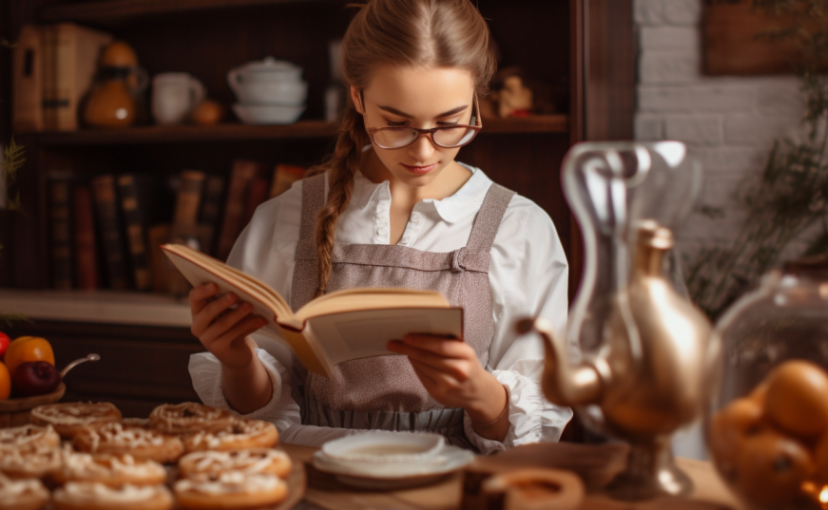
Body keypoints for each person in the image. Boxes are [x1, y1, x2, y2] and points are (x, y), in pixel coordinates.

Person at [188, 0, 572, 453]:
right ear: (358, 99)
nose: (424, 152)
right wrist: (236, 362)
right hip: (311, 466)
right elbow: (257, 412)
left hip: (448, 478)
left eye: (450, 123)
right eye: (397, 124)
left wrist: (483, 397)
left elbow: (529, 428)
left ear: (476, 102)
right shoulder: (288, 216)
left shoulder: (519, 228)